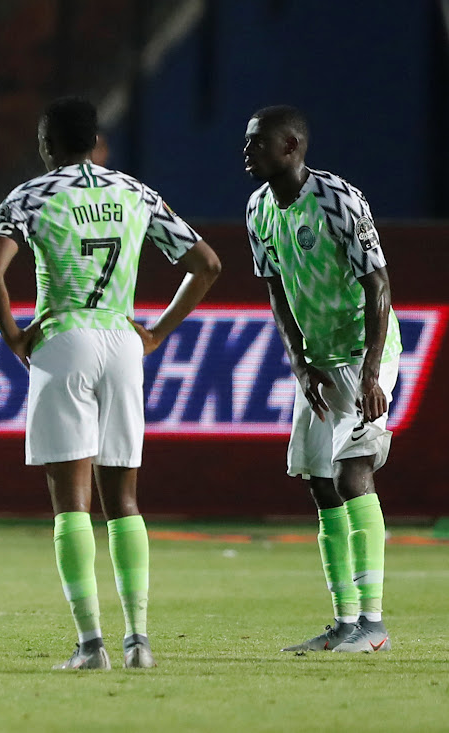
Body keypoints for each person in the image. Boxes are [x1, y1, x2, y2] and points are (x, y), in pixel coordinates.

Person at [0, 96, 221, 670]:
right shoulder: (137, 193)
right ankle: (138, 639)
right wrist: (157, 332)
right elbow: (206, 264)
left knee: (71, 504)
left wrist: (15, 337)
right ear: (96, 142)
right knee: (125, 501)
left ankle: (91, 645)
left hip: (64, 337)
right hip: (122, 344)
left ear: (46, 146)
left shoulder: (31, 195)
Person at [244, 105, 402, 653]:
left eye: (259, 143)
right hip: (317, 356)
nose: (248, 152)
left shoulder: (338, 200)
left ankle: (375, 626)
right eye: (247, 143)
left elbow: (378, 284)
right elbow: (276, 289)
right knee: (320, 484)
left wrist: (371, 372)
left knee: (353, 474)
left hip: (362, 349)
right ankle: (344, 623)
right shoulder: (258, 209)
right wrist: (299, 363)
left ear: (291, 148)